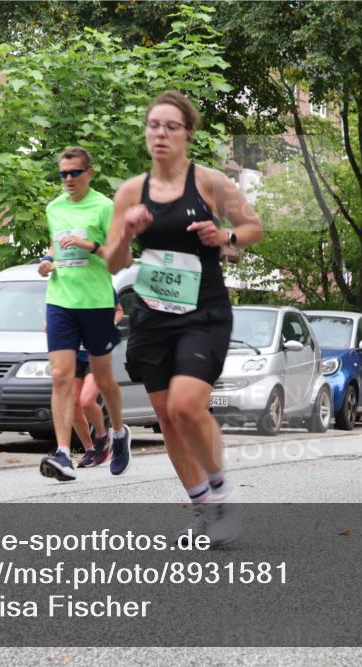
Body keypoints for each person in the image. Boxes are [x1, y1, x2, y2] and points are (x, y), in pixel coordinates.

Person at [104, 91, 263, 545]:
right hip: (152, 314)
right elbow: (114, 263)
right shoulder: (131, 192)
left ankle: (223, 493)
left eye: (171, 126)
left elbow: (253, 227)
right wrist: (128, 234)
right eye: (154, 125)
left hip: (204, 311)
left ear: (188, 134)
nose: (160, 134)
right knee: (166, 417)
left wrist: (225, 234)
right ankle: (203, 508)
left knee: (185, 405)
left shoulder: (210, 183)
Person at [37, 147, 130, 482]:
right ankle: (63, 453)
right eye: (63, 174)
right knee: (61, 376)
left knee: (103, 380)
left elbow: (122, 260)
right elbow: (54, 248)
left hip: (96, 302)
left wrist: (89, 246)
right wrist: (45, 264)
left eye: (74, 173)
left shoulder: (105, 207)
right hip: (60, 299)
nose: (68, 180)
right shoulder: (54, 208)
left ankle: (118, 434)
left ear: (89, 172)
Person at [73, 295, 125, 468]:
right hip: (73, 355)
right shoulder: (65, 284)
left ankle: (103, 437)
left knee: (86, 400)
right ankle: (90, 450)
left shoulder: (98, 281)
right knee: (73, 406)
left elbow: (118, 310)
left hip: (95, 354)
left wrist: (111, 324)